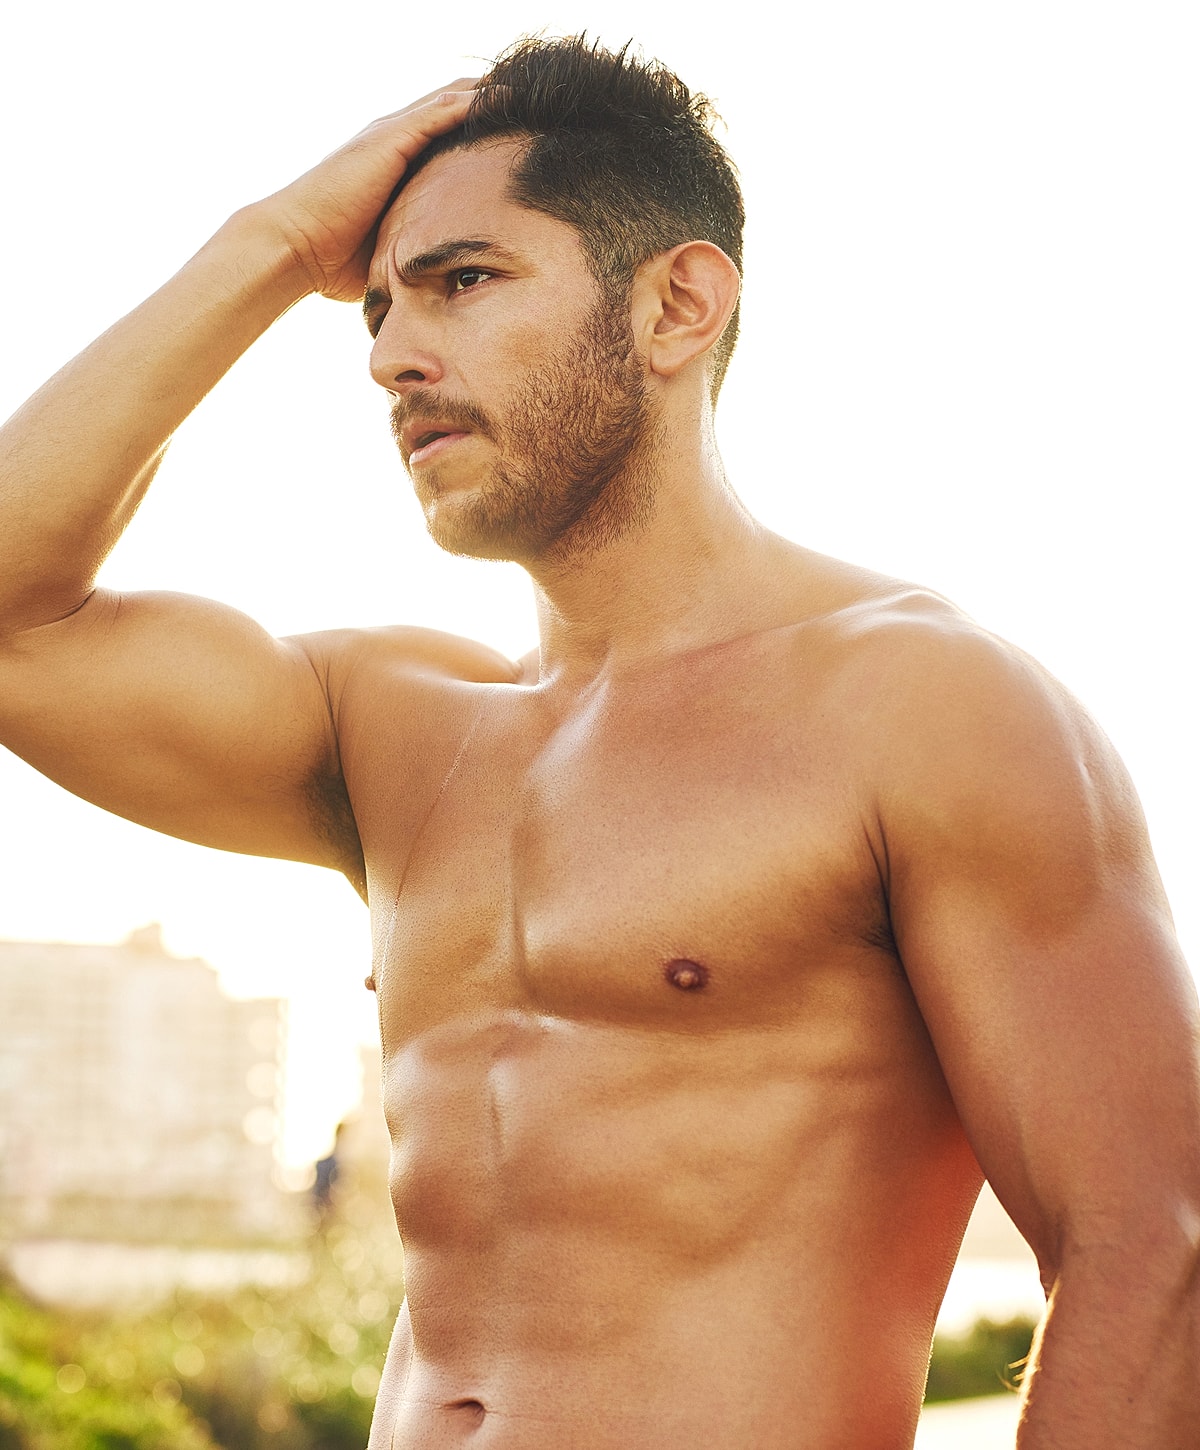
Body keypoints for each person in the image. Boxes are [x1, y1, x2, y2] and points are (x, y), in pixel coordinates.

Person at [0, 32, 1196, 1449]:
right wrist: (267, 244)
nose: (391, 354)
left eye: (463, 280)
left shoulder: (925, 708)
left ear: (677, 306)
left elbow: (1153, 1244)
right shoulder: (397, 732)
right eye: (372, 307)